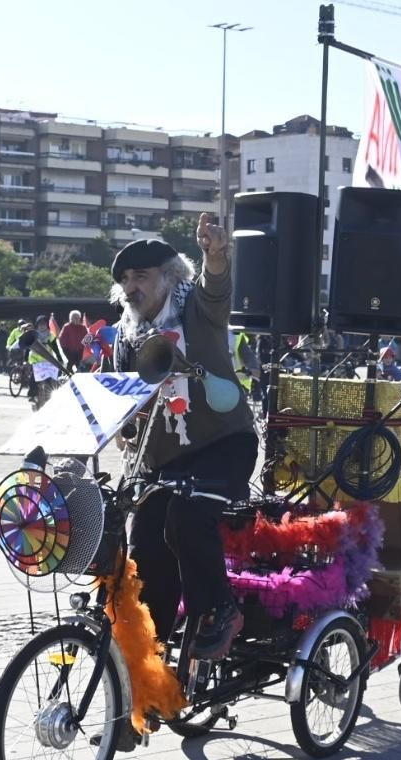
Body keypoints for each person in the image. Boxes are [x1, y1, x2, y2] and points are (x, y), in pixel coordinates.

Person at [110, 217, 254, 660]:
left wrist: (216, 257)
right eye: (126, 280)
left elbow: (216, 292)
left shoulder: (196, 309)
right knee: (144, 544)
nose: (132, 287)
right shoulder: (125, 335)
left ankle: (220, 610)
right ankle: (152, 664)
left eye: (142, 277)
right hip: (164, 461)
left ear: (169, 277)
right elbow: (117, 396)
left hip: (223, 446)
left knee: (187, 521)